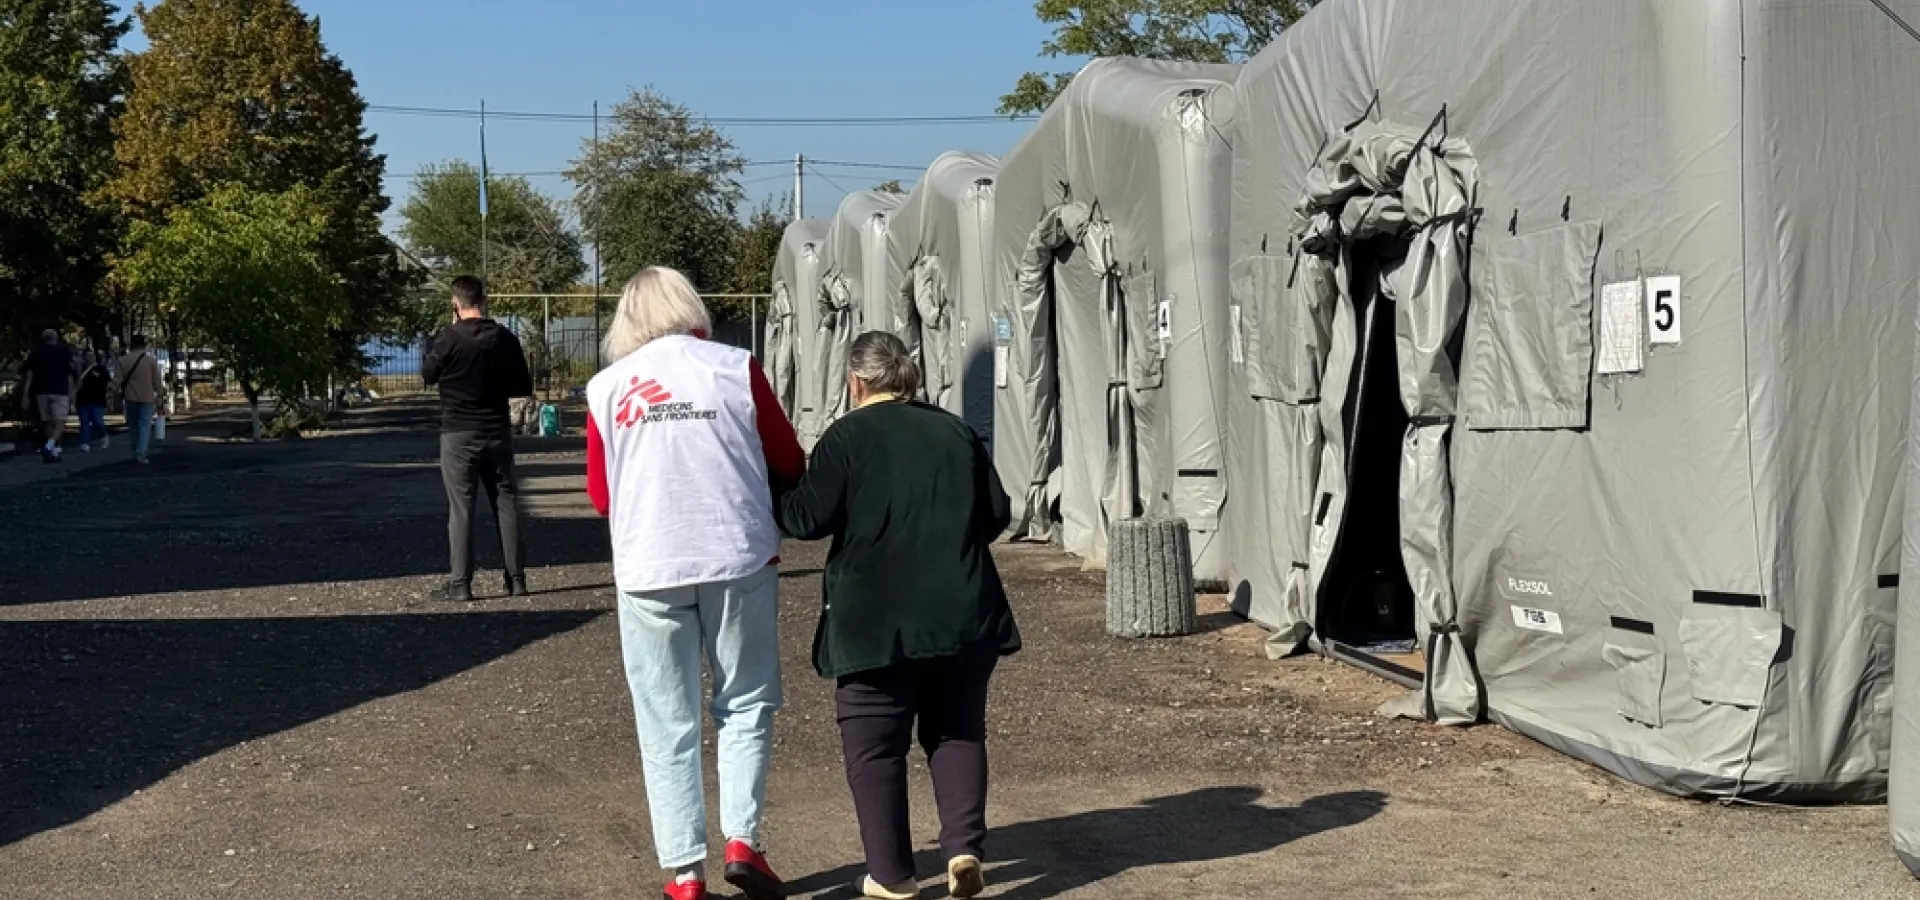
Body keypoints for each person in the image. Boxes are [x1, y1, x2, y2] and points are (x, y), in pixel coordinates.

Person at [776, 331, 1020, 900]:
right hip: (963, 611)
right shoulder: (953, 429)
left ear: (855, 382)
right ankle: (962, 849)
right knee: (957, 729)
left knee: (875, 743)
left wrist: (776, 477)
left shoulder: (846, 437)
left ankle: (892, 876)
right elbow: (996, 513)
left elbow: (806, 518)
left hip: (873, 618)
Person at [584, 266, 803, 900]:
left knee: (665, 718)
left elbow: (601, 496)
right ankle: (743, 840)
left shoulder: (606, 388)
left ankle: (683, 872)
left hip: (649, 564)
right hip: (737, 555)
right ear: (691, 309)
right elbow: (786, 458)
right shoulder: (736, 367)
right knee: (745, 703)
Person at [422, 275, 535, 602]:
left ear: (455, 305)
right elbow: (522, 387)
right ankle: (516, 579)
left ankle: (461, 584)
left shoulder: (448, 339)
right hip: (497, 430)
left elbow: (428, 375)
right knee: (507, 502)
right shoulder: (506, 338)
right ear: (484, 301)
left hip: (459, 432)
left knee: (462, 508)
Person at [19, 329, 76, 463]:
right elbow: (69, 374)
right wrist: (72, 393)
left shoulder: (36, 353)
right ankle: (50, 445)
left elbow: (29, 375)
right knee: (60, 421)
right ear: (56, 338)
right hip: (59, 390)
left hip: (41, 391)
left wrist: (25, 395)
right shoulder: (64, 352)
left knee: (48, 421)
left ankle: (53, 450)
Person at [117, 335, 164, 465]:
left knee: (133, 426)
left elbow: (117, 381)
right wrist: (160, 395)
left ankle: (135, 450)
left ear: (131, 345)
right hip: (147, 397)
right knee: (144, 425)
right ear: (144, 345)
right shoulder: (150, 361)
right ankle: (141, 453)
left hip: (130, 397)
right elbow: (156, 381)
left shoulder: (123, 360)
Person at [75, 351, 110, 452]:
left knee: (97, 421)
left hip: (97, 400)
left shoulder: (101, 369)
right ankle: (84, 442)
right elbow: (76, 384)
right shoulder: (80, 370)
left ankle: (103, 435)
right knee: (84, 422)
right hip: (82, 400)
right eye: (87, 356)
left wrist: (108, 395)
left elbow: (107, 383)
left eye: (91, 356)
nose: (88, 358)